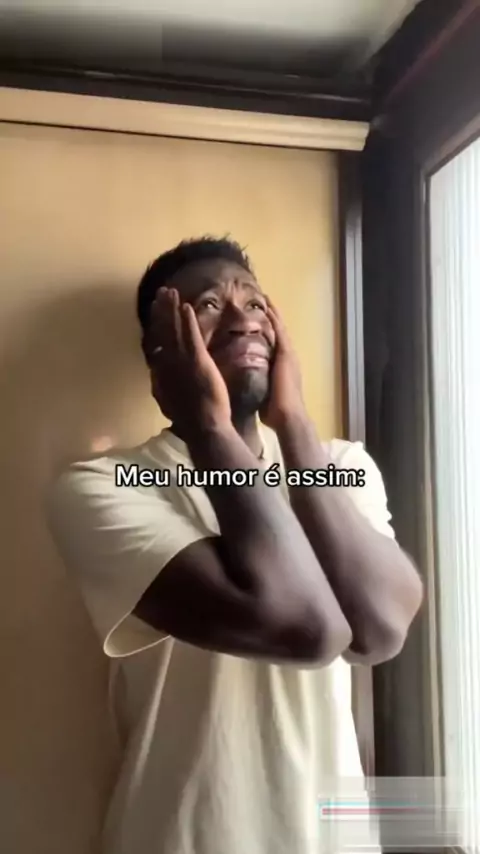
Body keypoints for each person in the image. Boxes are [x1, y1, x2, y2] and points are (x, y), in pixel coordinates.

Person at [47, 236, 423, 854]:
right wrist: (208, 426)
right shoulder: (101, 486)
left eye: (255, 304)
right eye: (210, 305)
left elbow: (379, 631)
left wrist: (295, 425)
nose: (244, 319)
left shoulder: (338, 465)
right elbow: (306, 629)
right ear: (161, 356)